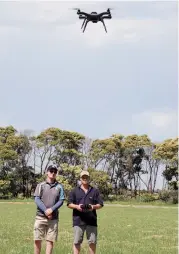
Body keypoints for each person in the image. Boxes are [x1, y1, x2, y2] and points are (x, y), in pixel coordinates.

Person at [67, 170, 104, 254]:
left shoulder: (95, 191)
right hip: (78, 220)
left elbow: (101, 204)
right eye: (83, 177)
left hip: (91, 221)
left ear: (89, 178)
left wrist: (93, 207)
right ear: (80, 179)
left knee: (92, 242)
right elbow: (69, 204)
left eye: (86, 177)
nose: (85, 178)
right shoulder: (74, 191)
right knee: (77, 242)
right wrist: (77, 206)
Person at [33, 165, 65, 254]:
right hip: (40, 217)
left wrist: (52, 210)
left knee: (50, 241)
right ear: (47, 172)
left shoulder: (60, 186)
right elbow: (37, 199)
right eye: (51, 171)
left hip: (53, 218)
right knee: (37, 240)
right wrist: (46, 211)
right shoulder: (41, 185)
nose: (53, 173)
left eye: (55, 172)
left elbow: (61, 200)